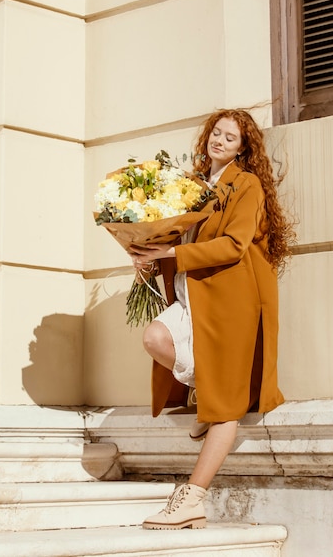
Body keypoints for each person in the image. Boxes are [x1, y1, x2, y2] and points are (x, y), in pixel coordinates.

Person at [129, 108, 295, 530]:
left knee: (225, 409)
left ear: (244, 148)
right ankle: (211, 394)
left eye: (231, 138)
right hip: (192, 295)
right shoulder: (189, 185)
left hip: (232, 300)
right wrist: (146, 257)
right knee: (155, 338)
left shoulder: (247, 184)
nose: (219, 141)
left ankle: (191, 499)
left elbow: (234, 245)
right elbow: (173, 239)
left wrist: (169, 254)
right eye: (217, 133)